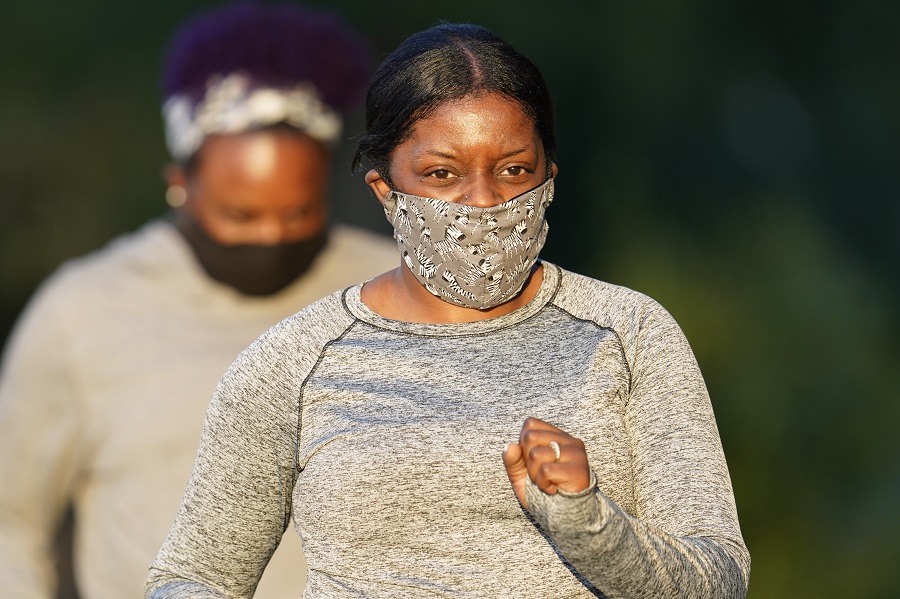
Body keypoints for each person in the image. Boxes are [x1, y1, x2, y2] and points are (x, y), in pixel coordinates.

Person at [145, 23, 751, 598]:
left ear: (549, 176)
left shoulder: (629, 334)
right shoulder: (292, 363)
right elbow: (195, 576)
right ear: (385, 188)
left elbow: (719, 581)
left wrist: (590, 522)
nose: (484, 201)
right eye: (442, 174)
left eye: (514, 170)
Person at [0, 3, 398, 598]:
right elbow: (11, 519)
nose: (270, 237)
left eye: (298, 213)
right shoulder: (83, 311)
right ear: (181, 182)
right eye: (240, 215)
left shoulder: (398, 288)